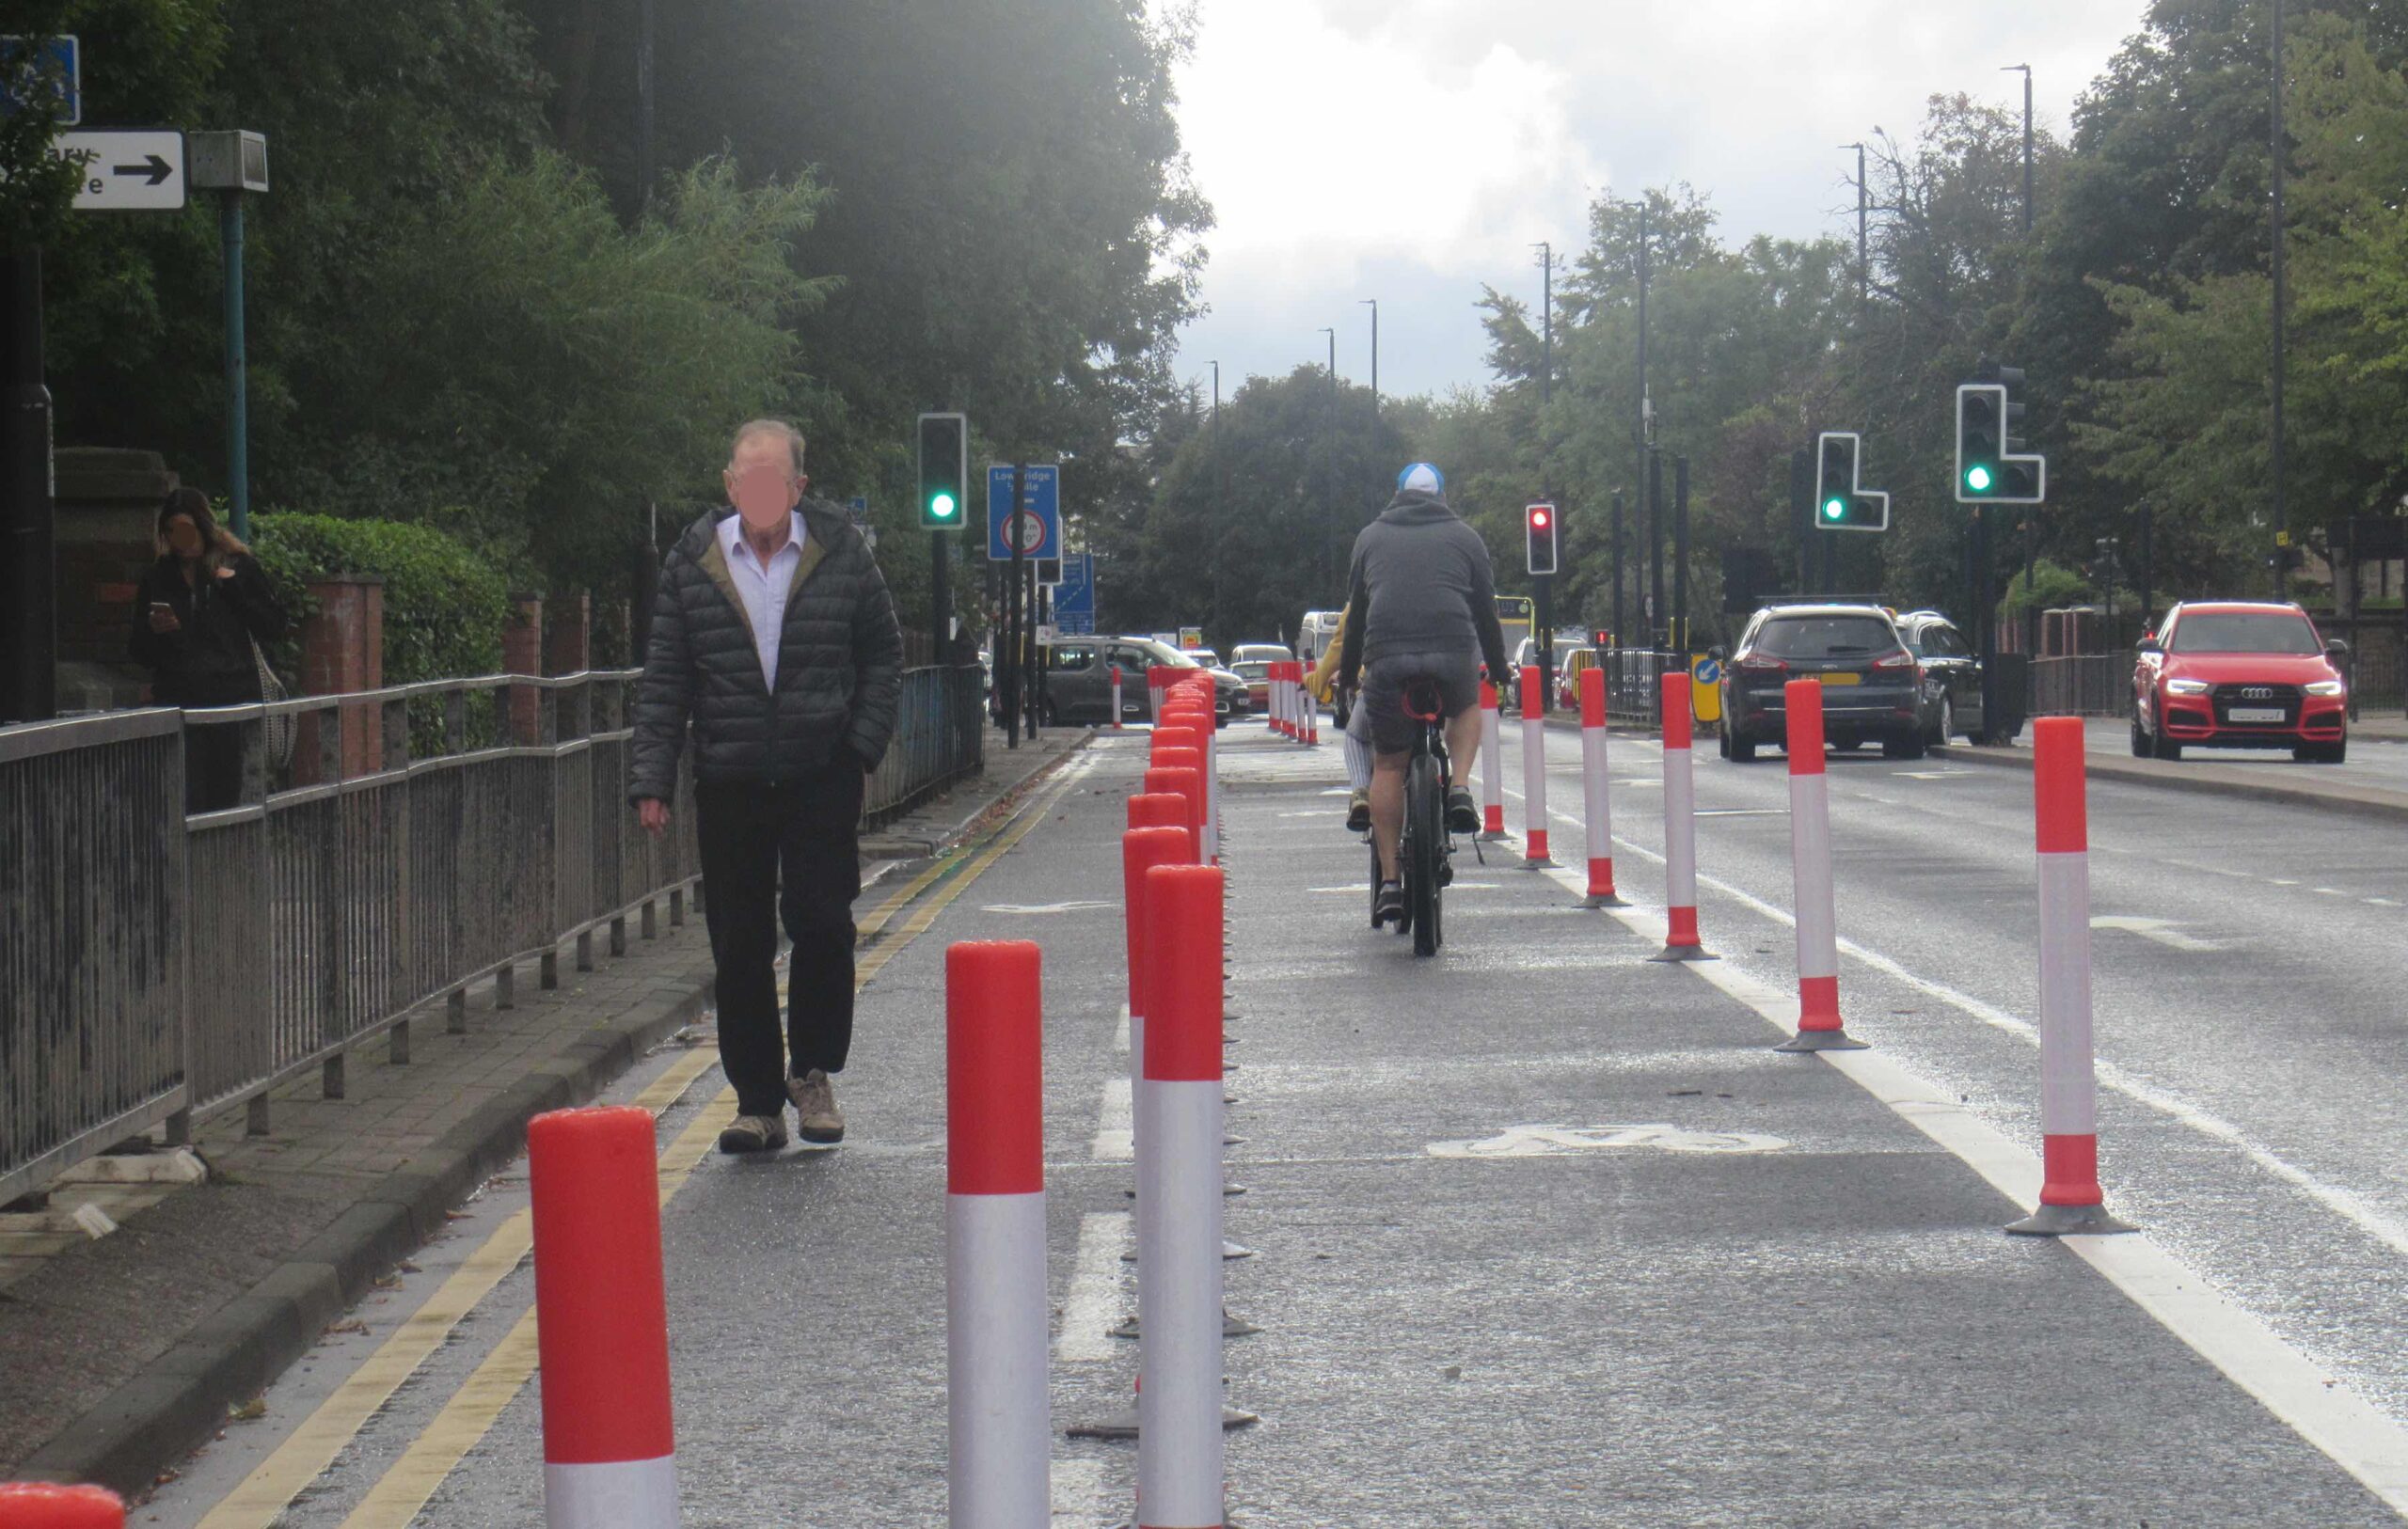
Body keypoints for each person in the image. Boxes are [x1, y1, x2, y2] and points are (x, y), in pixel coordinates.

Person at [630, 419, 904, 1154]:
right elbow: (667, 679)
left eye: (772, 480)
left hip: (821, 773)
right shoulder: (692, 563)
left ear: (798, 488)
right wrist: (651, 777)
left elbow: (883, 653)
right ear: (729, 486)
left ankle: (811, 1074)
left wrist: (859, 748)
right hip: (731, 777)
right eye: (744, 480)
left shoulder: (840, 552)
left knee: (823, 923)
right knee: (739, 943)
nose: (757, 493)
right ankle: (757, 1102)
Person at [1336, 463, 1512, 925]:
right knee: (1467, 706)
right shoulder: (1466, 537)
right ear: (1442, 495)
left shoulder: (1370, 537)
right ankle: (1457, 789)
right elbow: (1486, 613)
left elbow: (1356, 615)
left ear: (1397, 494)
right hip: (1453, 653)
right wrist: (1498, 669)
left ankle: (1391, 882)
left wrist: (1350, 676)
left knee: (1390, 763)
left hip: (1387, 659)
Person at [128, 487, 288, 812]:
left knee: (223, 794)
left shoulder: (236, 567)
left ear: (204, 528)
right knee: (185, 797)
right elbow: (139, 651)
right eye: (172, 533)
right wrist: (158, 631)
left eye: (187, 531)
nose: (181, 541)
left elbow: (274, 625)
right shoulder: (159, 577)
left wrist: (233, 588)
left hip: (228, 701)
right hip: (178, 701)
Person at [1303, 604, 1373, 832]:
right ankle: (1457, 787)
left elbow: (1342, 644)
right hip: (1441, 677)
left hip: (1384, 679)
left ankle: (1361, 791)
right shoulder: (1444, 578)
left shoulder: (1372, 584)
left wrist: (1316, 681)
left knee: (1357, 736)